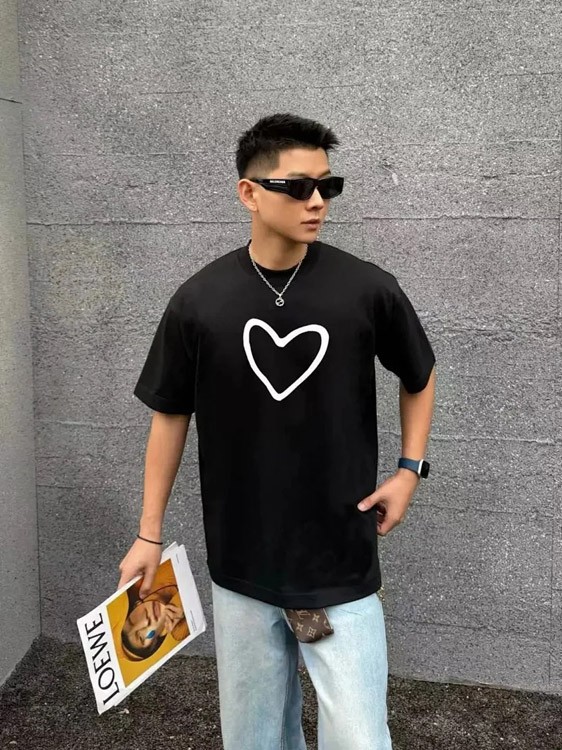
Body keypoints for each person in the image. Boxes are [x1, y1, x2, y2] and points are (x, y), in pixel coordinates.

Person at [118, 112, 436, 749]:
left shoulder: (367, 289)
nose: (317, 201)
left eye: (328, 186)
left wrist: (410, 470)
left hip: (339, 555)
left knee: (361, 737)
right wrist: (148, 533)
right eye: (297, 187)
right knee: (253, 738)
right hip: (242, 560)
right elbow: (170, 413)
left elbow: (419, 373)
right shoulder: (199, 301)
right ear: (249, 192)